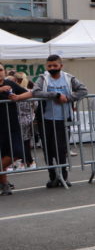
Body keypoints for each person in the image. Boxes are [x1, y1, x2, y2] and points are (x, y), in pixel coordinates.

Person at [33, 55, 88, 188]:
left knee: (61, 149)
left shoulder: (69, 78)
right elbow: (35, 92)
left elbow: (83, 90)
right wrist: (54, 95)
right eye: (49, 66)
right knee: (48, 150)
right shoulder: (43, 78)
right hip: (46, 119)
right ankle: (52, 177)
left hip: (63, 119)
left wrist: (68, 98)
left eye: (55, 66)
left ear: (61, 66)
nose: (52, 68)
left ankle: (63, 177)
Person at [0, 65, 32, 195]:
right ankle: (4, 184)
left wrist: (18, 97)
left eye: (1, 70)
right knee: (2, 155)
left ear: (5, 72)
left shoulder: (10, 83)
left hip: (12, 124)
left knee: (18, 151)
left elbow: (28, 92)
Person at [12, 71, 36, 170]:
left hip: (20, 119)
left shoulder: (16, 93)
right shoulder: (29, 91)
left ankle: (25, 162)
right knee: (26, 141)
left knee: (21, 142)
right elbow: (36, 105)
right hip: (29, 118)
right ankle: (27, 161)